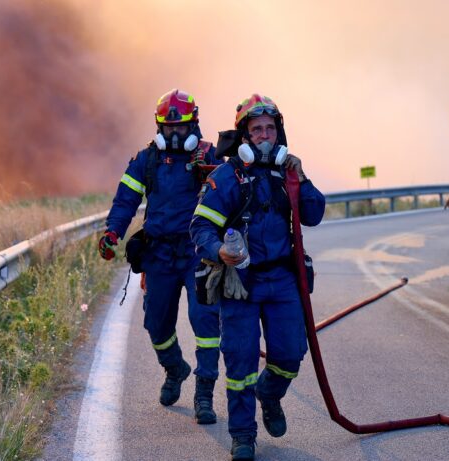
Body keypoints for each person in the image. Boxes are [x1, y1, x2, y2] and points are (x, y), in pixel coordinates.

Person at [189, 94, 325, 460]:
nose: (264, 136)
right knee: (240, 362)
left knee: (290, 355)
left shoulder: (289, 173)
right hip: (241, 283)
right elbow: (201, 226)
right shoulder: (227, 177)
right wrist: (219, 250)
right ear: (245, 137)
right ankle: (243, 436)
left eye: (270, 128)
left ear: (278, 133)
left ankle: (270, 393)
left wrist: (301, 176)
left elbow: (313, 215)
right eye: (256, 130)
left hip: (282, 280)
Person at [98, 89, 222, 424]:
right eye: (168, 128)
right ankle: (174, 368)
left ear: (193, 123)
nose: (175, 134)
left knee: (206, 320)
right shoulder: (147, 160)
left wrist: (211, 168)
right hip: (160, 254)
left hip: (198, 252)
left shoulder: (210, 156)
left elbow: (230, 195)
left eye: (180, 127)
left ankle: (204, 394)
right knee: (156, 322)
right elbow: (125, 200)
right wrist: (113, 232)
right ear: (159, 127)